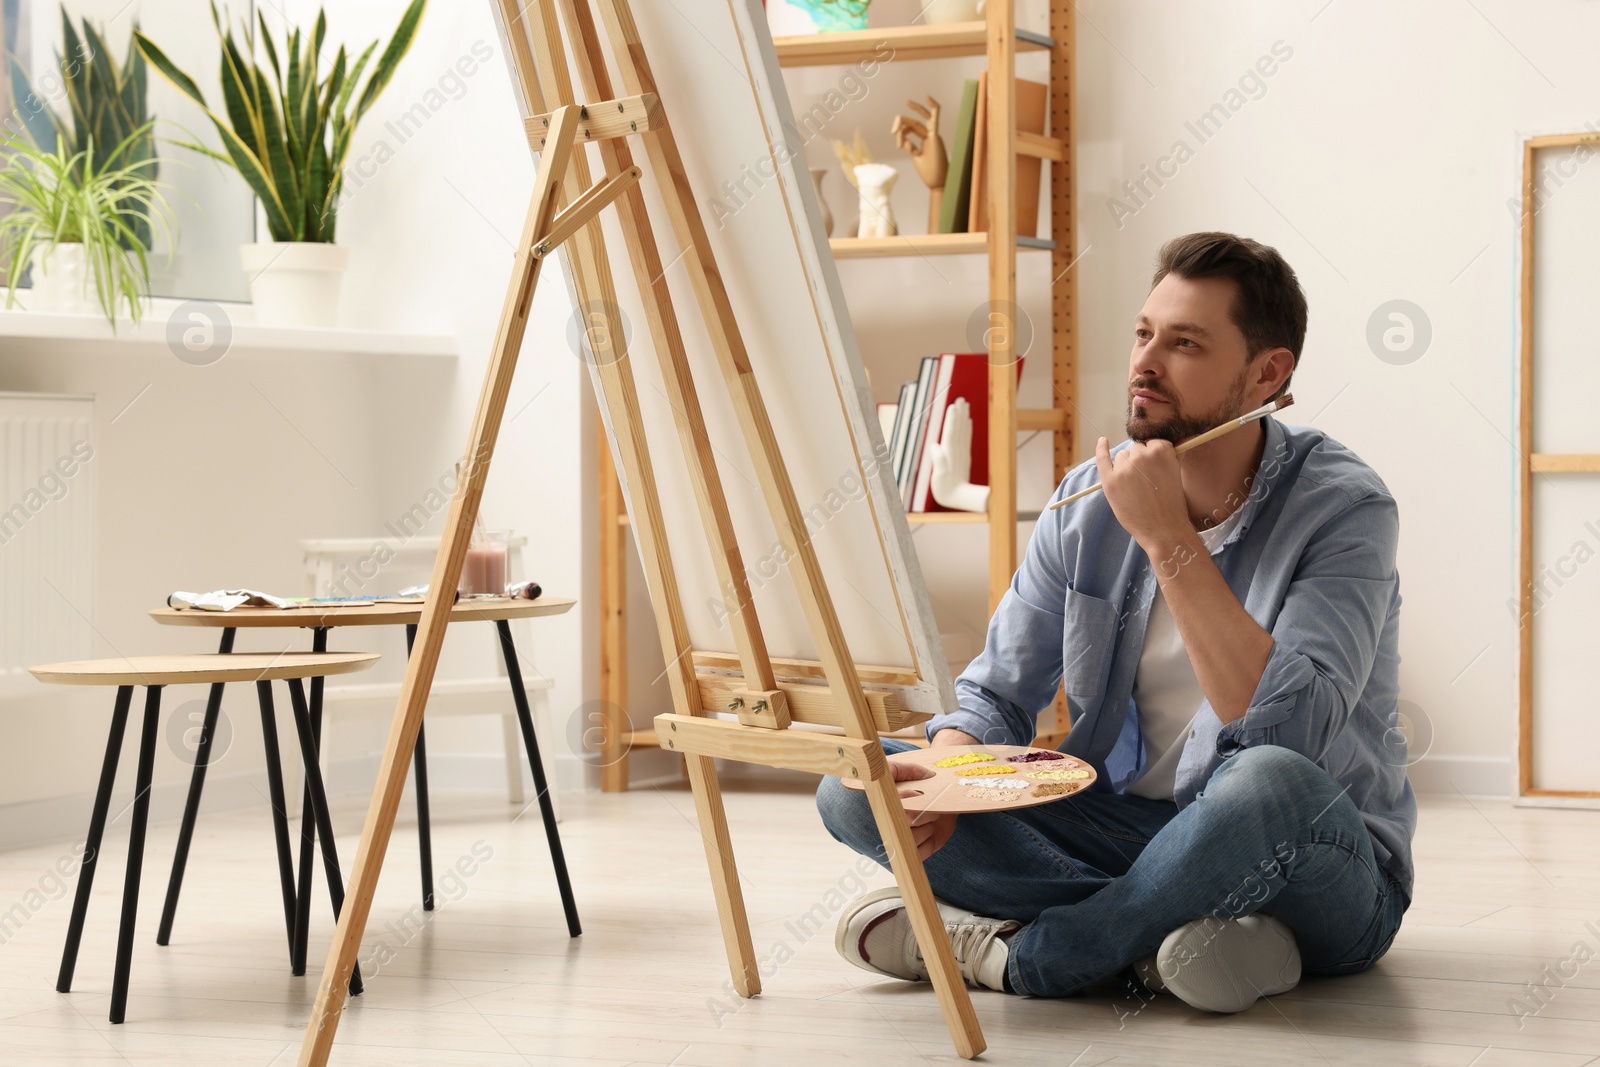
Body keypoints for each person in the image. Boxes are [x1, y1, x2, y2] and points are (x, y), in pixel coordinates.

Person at [816, 232, 1415, 1013]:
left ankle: (1024, 954)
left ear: (1268, 373)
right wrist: (949, 774)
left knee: (1263, 783)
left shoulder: (1345, 509)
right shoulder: (1084, 500)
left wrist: (1168, 538)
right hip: (1135, 830)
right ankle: (1189, 935)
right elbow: (996, 695)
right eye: (1143, 334)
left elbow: (1287, 734)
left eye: (1185, 343)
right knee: (858, 784)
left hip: (1313, 851)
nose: (1145, 363)